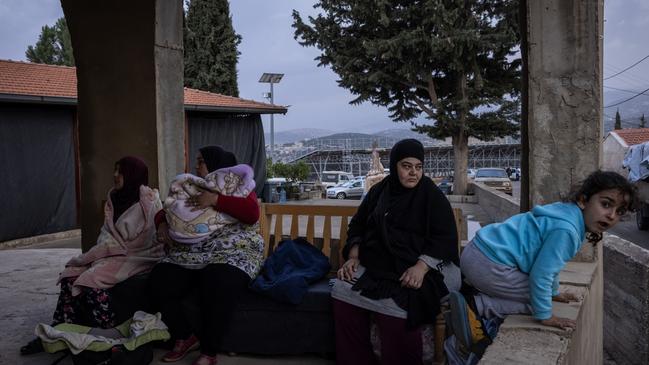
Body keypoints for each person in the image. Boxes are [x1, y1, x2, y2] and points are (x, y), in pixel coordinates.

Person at [449, 170, 637, 353]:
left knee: (544, 295)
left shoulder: (565, 214)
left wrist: (554, 292)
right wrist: (545, 316)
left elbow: (549, 266)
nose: (612, 215)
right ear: (583, 200)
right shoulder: (567, 230)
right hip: (487, 264)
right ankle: (475, 305)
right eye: (606, 204)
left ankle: (472, 292)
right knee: (538, 301)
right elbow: (542, 274)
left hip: (477, 252)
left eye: (619, 211)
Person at [332, 138, 461, 365]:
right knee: (342, 289)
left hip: (430, 266)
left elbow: (445, 239)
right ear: (394, 166)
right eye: (406, 166)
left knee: (398, 304)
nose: (413, 173)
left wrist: (421, 267)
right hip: (384, 264)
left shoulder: (432, 196)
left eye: (418, 167)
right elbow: (359, 225)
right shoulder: (380, 192)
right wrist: (353, 257)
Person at [20, 156, 163, 355]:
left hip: (137, 257)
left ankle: (102, 336)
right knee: (70, 277)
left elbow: (148, 240)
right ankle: (59, 332)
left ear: (131, 175)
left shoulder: (148, 204)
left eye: (120, 172)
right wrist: (103, 252)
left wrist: (108, 252)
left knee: (91, 281)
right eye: (115, 171)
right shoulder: (115, 198)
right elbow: (107, 234)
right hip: (112, 255)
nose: (115, 176)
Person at [149, 146, 263, 365]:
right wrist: (161, 223)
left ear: (215, 164)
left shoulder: (236, 185)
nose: (196, 166)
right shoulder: (193, 186)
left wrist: (215, 201)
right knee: (159, 279)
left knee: (218, 280)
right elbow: (170, 209)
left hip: (233, 250)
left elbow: (251, 213)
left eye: (201, 161)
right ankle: (185, 336)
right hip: (193, 253)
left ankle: (210, 351)